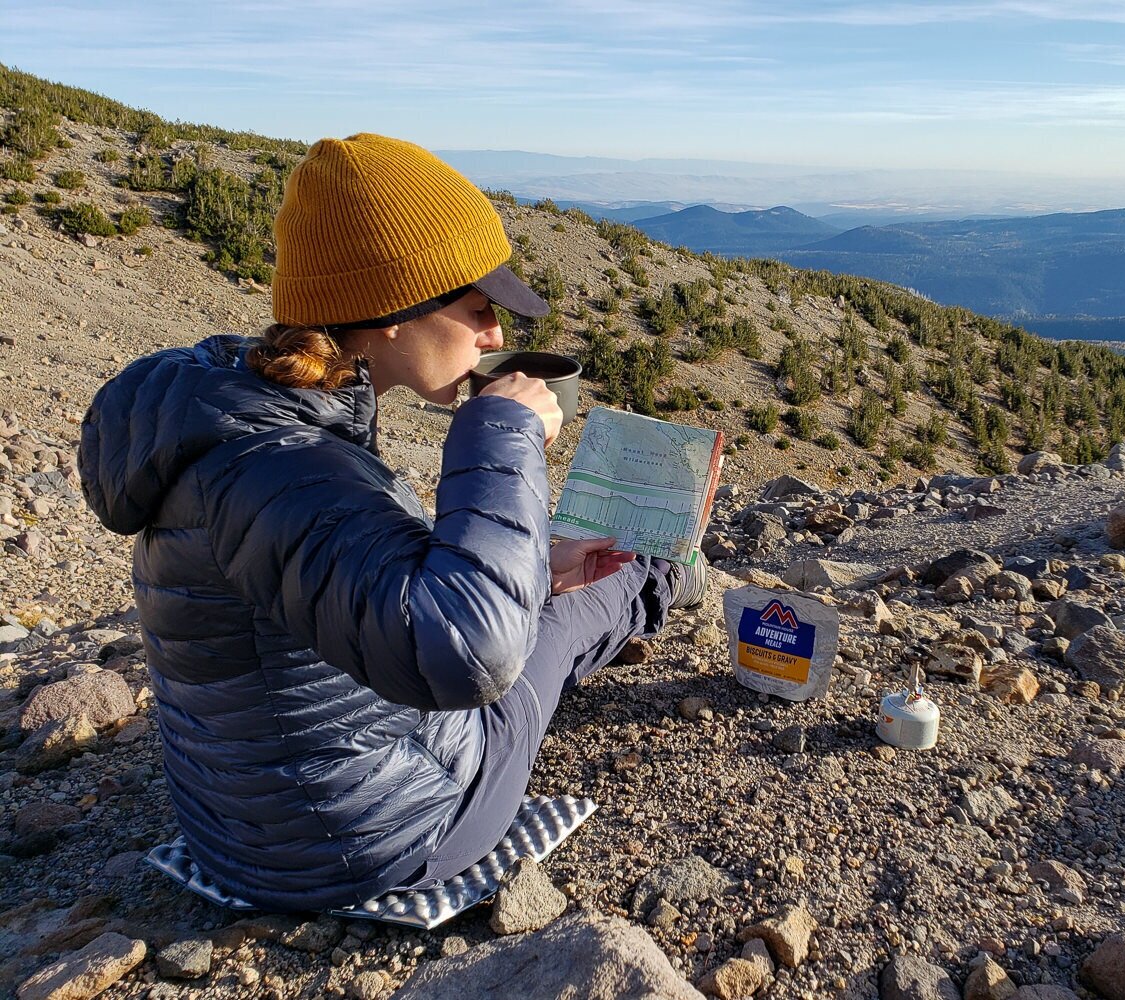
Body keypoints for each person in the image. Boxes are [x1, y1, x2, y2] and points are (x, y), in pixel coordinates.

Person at [77, 133, 706, 911]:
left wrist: (540, 566)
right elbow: (473, 654)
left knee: (547, 580)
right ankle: (665, 572)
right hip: (375, 840)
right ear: (394, 310)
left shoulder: (246, 421)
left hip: (247, 828)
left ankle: (632, 575)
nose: (497, 337)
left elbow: (348, 577)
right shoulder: (285, 467)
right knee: (574, 615)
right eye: (478, 308)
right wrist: (499, 431)